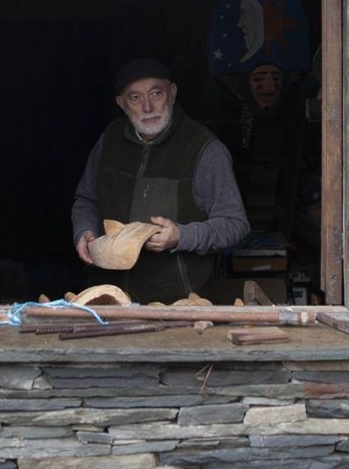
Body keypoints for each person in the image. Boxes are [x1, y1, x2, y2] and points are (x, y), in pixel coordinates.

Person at [71, 57, 248, 303]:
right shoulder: (109, 140)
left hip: (179, 305)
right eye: (135, 97)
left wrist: (182, 236)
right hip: (108, 300)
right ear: (122, 104)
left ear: (172, 93)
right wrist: (84, 231)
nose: (147, 107)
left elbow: (235, 224)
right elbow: (86, 199)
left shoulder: (203, 149)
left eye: (156, 93)